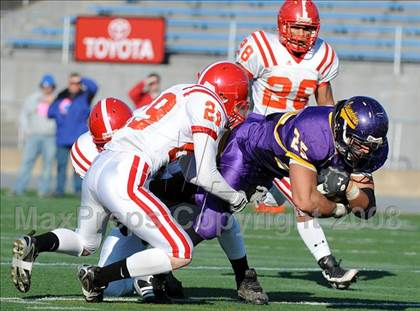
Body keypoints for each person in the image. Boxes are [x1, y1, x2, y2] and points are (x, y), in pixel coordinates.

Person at [10, 62, 265, 304]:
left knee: (85, 242)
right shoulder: (211, 105)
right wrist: (236, 197)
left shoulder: (180, 92)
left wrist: (229, 191)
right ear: (227, 95)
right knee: (180, 250)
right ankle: (98, 278)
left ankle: (36, 244)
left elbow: (193, 174)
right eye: (240, 103)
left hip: (100, 169)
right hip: (127, 174)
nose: (241, 110)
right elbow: (207, 174)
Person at [70, 98, 267, 304]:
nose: (116, 143)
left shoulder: (159, 127)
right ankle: (146, 275)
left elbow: (191, 174)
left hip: (171, 201)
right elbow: (108, 203)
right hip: (132, 216)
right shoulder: (88, 152)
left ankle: (243, 276)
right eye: (105, 143)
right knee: (113, 290)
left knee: (218, 214)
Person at [190, 96, 388, 289]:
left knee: (221, 219)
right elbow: (305, 202)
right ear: (342, 129)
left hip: (280, 165)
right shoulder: (314, 132)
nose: (365, 152)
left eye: (371, 146)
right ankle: (167, 258)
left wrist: (350, 188)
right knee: (211, 222)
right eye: (360, 144)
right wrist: (338, 209)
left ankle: (244, 278)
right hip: (247, 149)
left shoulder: (365, 148)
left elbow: (366, 210)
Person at [235, 0, 356, 288]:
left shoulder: (323, 55)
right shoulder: (261, 47)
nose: (302, 35)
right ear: (283, 26)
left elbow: (324, 101)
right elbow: (238, 86)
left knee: (304, 199)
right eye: (297, 28)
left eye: (308, 29)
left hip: (297, 137)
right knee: (222, 201)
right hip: (260, 134)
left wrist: (332, 140)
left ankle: (328, 265)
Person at [48, 73, 98, 196]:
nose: (74, 85)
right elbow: (50, 111)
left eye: (76, 83)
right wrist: (60, 118)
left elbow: (94, 87)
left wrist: (82, 79)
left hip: (78, 138)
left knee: (79, 167)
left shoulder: (85, 96)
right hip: (62, 137)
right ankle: (59, 190)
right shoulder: (62, 95)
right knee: (61, 166)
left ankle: (78, 191)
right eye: (71, 83)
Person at [13, 74, 57, 197]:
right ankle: (18, 189)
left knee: (47, 165)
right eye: (44, 86)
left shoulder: (56, 100)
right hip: (34, 136)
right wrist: (27, 130)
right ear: (41, 86)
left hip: (50, 137)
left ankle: (43, 191)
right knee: (27, 162)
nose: (47, 89)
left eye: (49, 86)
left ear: (53, 87)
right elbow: (24, 115)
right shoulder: (33, 98)